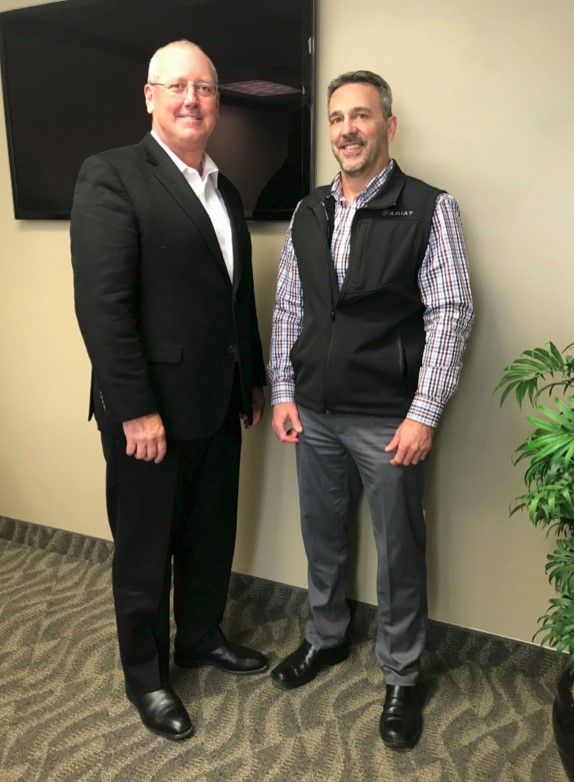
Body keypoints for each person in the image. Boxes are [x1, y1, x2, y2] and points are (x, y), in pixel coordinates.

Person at [267, 70, 473, 750]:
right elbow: (290, 307)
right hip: (314, 412)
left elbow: (450, 311)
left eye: (360, 116)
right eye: (336, 118)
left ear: (388, 125)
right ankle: (326, 636)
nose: (347, 130)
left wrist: (424, 412)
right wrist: (283, 390)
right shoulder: (308, 210)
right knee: (322, 536)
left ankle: (402, 673)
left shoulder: (428, 207)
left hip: (389, 417)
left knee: (398, 552)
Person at [71, 40, 268, 742]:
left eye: (205, 88)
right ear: (150, 97)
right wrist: (136, 410)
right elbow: (103, 308)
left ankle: (202, 636)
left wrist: (253, 378)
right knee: (146, 550)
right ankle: (146, 676)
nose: (192, 99)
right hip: (147, 414)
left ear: (218, 102)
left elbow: (235, 296)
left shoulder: (225, 189)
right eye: (178, 86)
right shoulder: (112, 176)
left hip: (217, 400)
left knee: (210, 535)